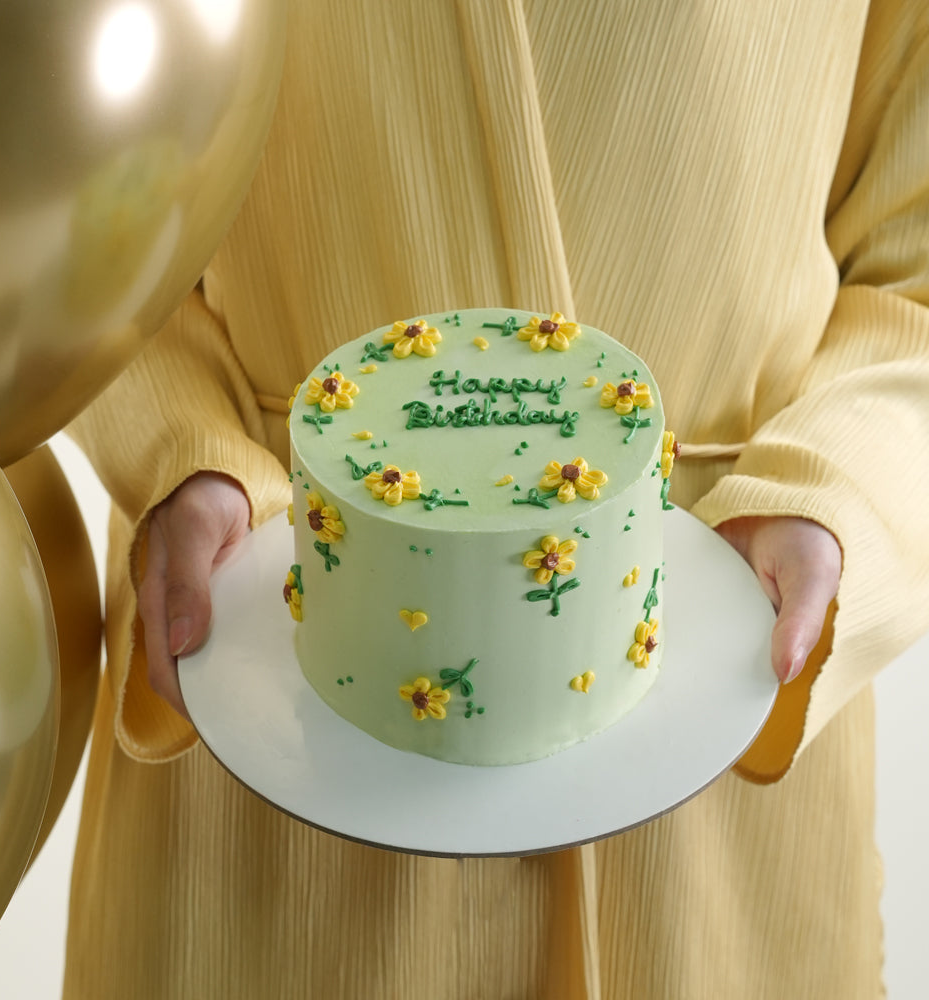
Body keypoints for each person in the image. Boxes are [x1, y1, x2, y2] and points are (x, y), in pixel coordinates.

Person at [65, 2, 929, 997]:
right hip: (272, 666)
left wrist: (829, 492)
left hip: (728, 702)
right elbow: (69, 191)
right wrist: (183, 446)